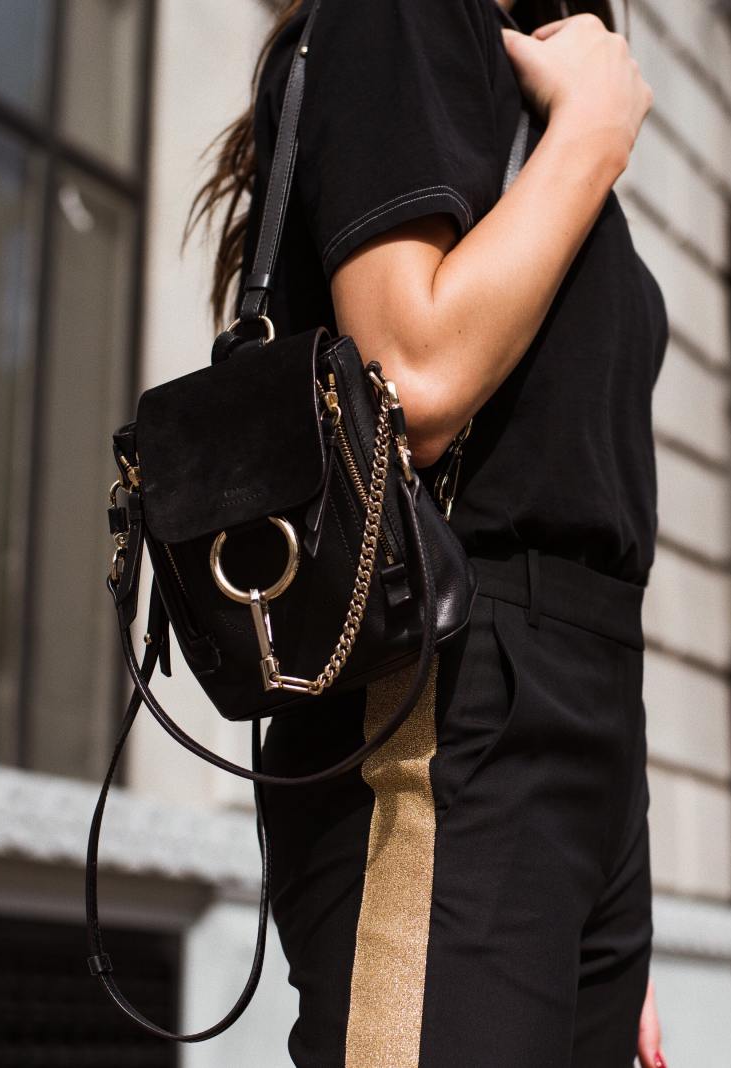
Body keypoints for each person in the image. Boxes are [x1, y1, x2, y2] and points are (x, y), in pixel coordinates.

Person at [190, 0, 668, 1063]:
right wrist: (594, 130)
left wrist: (592, 891)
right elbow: (412, 374)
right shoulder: (404, 17)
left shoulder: (527, 94)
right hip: (445, 693)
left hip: (579, 741)